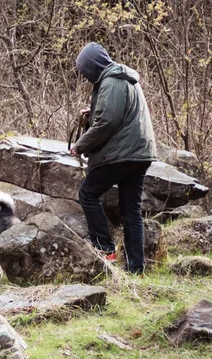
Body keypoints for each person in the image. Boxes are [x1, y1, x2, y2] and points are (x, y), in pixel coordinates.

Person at [69, 42, 157, 274]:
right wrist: (93, 112)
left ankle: (105, 249)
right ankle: (136, 269)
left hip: (123, 155)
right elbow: (118, 115)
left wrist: (80, 145)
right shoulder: (124, 78)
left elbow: (108, 123)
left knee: (88, 193)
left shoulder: (111, 82)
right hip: (140, 153)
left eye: (85, 69)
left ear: (93, 66)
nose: (85, 75)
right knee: (131, 209)